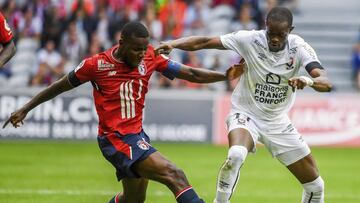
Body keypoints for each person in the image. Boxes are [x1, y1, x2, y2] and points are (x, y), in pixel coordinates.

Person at [2, 21, 244, 203]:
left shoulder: (150, 56)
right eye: (137, 49)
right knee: (174, 174)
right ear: (122, 44)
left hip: (137, 135)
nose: (141, 54)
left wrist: (224, 76)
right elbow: (59, 86)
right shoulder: (95, 65)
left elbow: (190, 73)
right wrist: (26, 108)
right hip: (115, 138)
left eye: (144, 49)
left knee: (134, 200)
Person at [155, 7, 332, 203]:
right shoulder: (250, 39)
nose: (274, 39)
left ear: (290, 30)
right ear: (265, 27)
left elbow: (325, 81)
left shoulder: (299, 48)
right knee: (236, 154)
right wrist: (173, 43)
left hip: (277, 122)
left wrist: (308, 81)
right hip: (245, 113)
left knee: (316, 187)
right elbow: (205, 41)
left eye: (280, 35)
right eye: (270, 33)